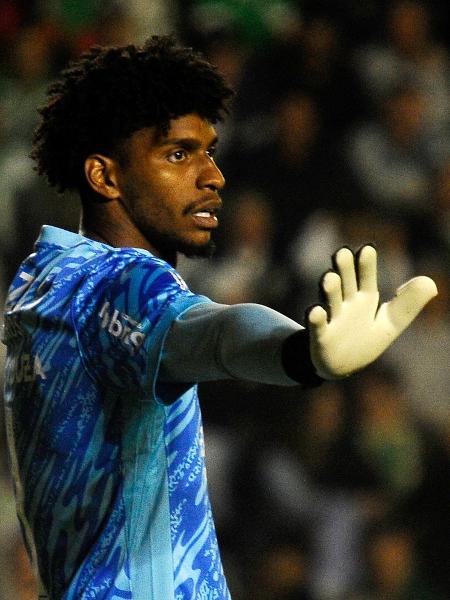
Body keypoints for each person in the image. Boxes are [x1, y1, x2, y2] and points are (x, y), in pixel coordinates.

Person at [1, 36, 438, 600]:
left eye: (209, 151)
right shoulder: (120, 283)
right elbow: (213, 333)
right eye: (178, 154)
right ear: (105, 176)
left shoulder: (40, 283)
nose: (213, 176)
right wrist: (300, 353)